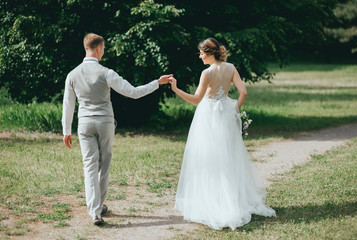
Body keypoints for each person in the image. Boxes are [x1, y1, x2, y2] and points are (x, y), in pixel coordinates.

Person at [62, 33, 172, 225]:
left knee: (89, 165)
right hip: (105, 122)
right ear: (97, 48)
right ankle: (99, 205)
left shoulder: (72, 74)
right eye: (103, 49)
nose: (103, 52)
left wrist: (66, 131)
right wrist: (157, 83)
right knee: (104, 164)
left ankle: (95, 211)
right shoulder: (106, 72)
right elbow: (134, 92)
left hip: (84, 123)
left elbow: (68, 105)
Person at [170, 38, 276, 230]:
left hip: (208, 118)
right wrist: (235, 110)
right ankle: (232, 201)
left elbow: (196, 100)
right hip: (226, 115)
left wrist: (175, 88)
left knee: (208, 159)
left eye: (202, 53)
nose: (200, 57)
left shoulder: (207, 73)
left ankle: (214, 203)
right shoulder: (231, 67)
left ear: (209, 53)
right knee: (229, 158)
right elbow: (243, 92)